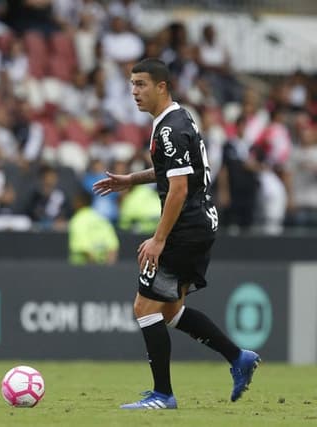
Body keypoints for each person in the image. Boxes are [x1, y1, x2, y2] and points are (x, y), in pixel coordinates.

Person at [92, 58, 260, 410]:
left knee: (143, 307)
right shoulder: (174, 121)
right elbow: (171, 171)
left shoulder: (169, 128)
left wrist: (159, 238)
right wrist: (130, 180)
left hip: (186, 227)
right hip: (200, 224)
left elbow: (179, 189)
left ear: (162, 86)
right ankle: (238, 357)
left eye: (141, 84)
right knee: (170, 310)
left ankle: (163, 395)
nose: (134, 91)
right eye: (132, 84)